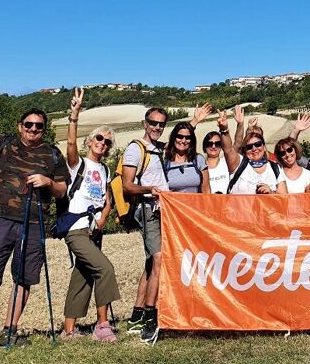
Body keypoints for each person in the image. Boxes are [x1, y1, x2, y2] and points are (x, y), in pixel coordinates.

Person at [0, 90, 70, 355]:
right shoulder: (5, 143)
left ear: (44, 129)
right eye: (29, 124)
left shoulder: (53, 154)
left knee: (23, 279)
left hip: (34, 224)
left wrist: (49, 183)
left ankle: (9, 330)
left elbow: (62, 191)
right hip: (0, 219)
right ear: (20, 127)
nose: (33, 129)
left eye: (39, 126)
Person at [122, 103, 212, 342]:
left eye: (161, 124)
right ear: (145, 123)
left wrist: (194, 121)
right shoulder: (136, 149)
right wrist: (150, 189)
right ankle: (152, 319)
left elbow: (181, 139)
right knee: (160, 259)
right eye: (153, 123)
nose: (157, 127)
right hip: (149, 210)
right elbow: (127, 185)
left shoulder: (159, 149)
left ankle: (136, 315)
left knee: (152, 264)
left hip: (168, 213)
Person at [59, 87, 120, 342]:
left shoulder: (105, 170)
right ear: (89, 141)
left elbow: (108, 199)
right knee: (105, 269)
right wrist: (75, 114)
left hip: (95, 228)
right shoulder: (78, 164)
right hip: (76, 228)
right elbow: (70, 143)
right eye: (99, 138)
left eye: (107, 141)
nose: (102, 143)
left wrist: (105, 217)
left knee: (83, 276)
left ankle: (68, 330)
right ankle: (102, 326)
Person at [227, 124, 288, 195]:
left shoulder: (275, 167)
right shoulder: (238, 165)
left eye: (258, 144)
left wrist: (271, 193)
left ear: (264, 147)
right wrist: (224, 129)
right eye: (249, 147)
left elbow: (284, 198)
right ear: (245, 151)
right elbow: (228, 149)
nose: (254, 148)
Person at [163, 122, 210, 193]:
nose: (183, 141)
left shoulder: (199, 159)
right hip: (173, 204)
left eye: (188, 138)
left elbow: (206, 189)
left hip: (195, 203)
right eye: (180, 136)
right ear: (173, 137)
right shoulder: (165, 162)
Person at [203, 116, 230, 194]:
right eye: (209, 144)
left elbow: (237, 145)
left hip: (227, 204)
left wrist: (240, 124)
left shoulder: (227, 162)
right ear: (204, 146)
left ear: (221, 146)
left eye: (217, 144)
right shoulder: (199, 167)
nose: (213, 146)